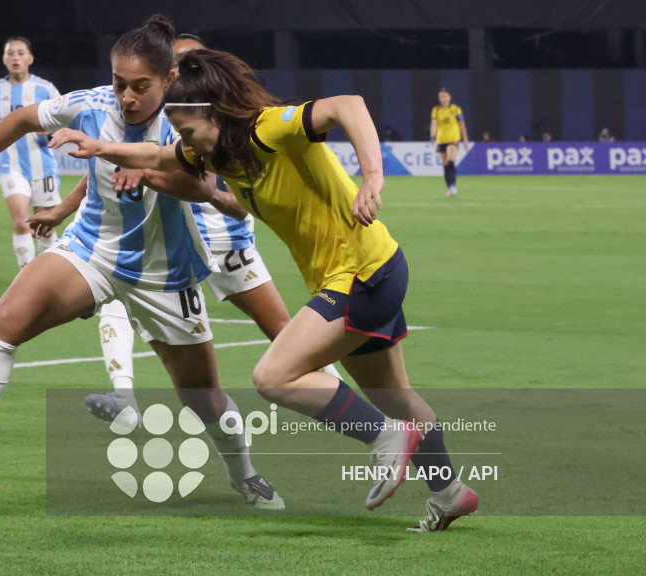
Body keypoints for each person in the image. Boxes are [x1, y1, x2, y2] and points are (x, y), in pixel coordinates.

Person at [49, 49, 480, 529]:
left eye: (188, 130)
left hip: (362, 271)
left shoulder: (268, 128)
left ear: (212, 114)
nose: (184, 142)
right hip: (366, 271)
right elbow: (161, 156)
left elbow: (349, 105)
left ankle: (384, 438)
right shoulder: (218, 151)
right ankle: (448, 491)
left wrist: (372, 178)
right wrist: (99, 147)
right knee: (396, 395)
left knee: (273, 376)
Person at [0, 16, 285, 510]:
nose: (126, 96)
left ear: (169, 80)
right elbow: (19, 120)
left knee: (205, 400)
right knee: (5, 322)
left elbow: (206, 190)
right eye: (119, 83)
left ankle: (245, 476)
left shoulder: (191, 117)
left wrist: (148, 170)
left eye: (140, 86)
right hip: (91, 250)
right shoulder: (91, 104)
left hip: (166, 273)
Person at [65, 32, 341, 424]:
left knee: (279, 326)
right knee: (116, 301)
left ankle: (336, 401)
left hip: (224, 239)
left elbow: (227, 201)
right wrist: (63, 209)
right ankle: (124, 395)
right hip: (167, 245)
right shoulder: (151, 116)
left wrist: (186, 187)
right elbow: (105, 169)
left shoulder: (219, 123)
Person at [0, 36, 62, 270]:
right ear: (4, 59)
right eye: (10, 53)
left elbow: (64, 115)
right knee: (21, 223)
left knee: (45, 225)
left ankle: (49, 276)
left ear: (30, 58)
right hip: (10, 165)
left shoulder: (45, 88)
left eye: (20, 53)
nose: (15, 58)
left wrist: (50, 128)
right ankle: (26, 277)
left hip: (42, 165)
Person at [429, 87, 469, 197]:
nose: (442, 99)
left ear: (449, 97)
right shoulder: (436, 110)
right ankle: (449, 187)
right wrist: (432, 136)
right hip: (441, 140)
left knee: (451, 160)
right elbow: (433, 124)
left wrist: (465, 138)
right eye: (440, 97)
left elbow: (462, 124)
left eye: (444, 96)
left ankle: (453, 185)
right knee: (445, 164)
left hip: (453, 139)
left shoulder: (455, 109)